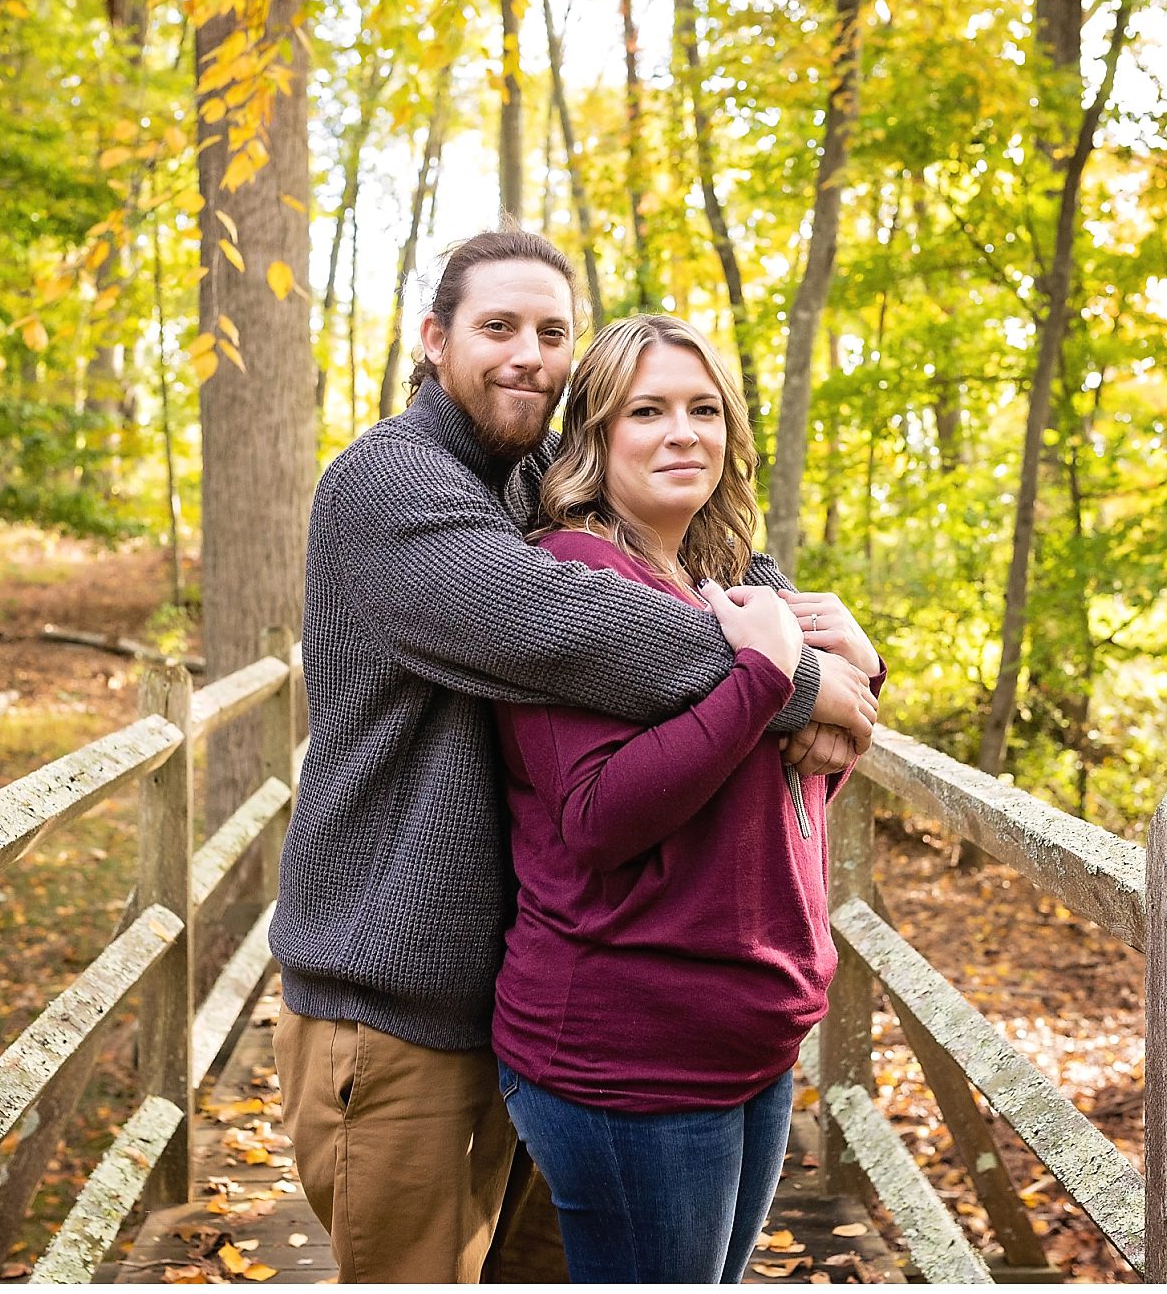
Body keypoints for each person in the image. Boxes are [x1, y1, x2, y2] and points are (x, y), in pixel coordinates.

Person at [269, 229, 884, 1282]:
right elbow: (567, 626)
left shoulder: (530, 474)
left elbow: (701, 550)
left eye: (552, 332)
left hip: (525, 991)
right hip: (395, 997)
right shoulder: (389, 481)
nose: (529, 355)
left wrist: (842, 650)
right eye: (497, 326)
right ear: (433, 338)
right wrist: (793, 678)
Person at [490, 314, 883, 1282]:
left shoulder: (720, 584)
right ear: (594, 435)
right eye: (647, 411)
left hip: (751, 1037)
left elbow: (783, 792)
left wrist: (859, 678)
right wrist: (765, 678)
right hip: (632, 1050)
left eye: (704, 410)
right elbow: (596, 818)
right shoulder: (572, 576)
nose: (682, 433)